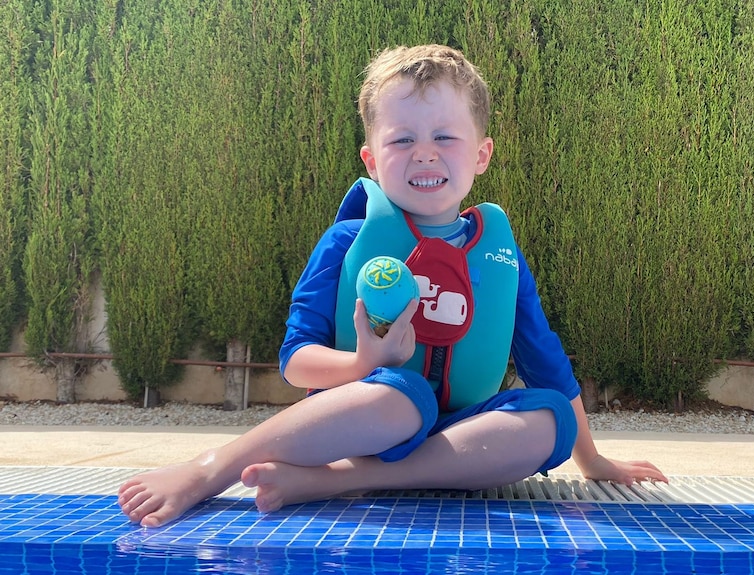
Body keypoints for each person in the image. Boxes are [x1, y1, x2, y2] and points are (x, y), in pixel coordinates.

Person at [118, 44, 667, 528]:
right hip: (372, 413)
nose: (424, 152)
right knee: (402, 398)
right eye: (401, 138)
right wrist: (361, 363)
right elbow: (295, 359)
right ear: (372, 161)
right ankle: (211, 469)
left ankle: (330, 480)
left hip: (460, 436)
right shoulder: (347, 242)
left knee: (547, 420)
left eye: (445, 137)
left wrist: (591, 460)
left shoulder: (499, 253)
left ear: (481, 154)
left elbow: (545, 359)